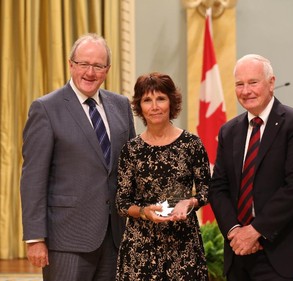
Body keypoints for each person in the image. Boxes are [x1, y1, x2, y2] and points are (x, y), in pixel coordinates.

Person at [20, 33, 136, 281]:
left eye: (98, 66)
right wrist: (35, 238)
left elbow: (130, 170)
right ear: (71, 64)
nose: (90, 72)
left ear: (108, 70)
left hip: (114, 237)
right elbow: (33, 178)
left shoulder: (121, 106)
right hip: (66, 241)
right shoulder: (46, 108)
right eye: (84, 64)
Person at [209, 54, 293, 280]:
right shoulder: (229, 131)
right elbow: (218, 187)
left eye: (253, 82)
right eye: (239, 84)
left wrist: (255, 231)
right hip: (239, 252)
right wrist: (235, 232)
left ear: (271, 82)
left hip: (281, 250)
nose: (246, 91)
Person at [115, 72, 210, 281]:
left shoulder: (191, 144)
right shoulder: (131, 150)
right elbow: (121, 202)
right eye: (147, 100)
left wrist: (190, 202)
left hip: (184, 246)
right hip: (140, 248)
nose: (154, 106)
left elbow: (206, 190)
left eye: (160, 98)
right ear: (139, 106)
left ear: (171, 102)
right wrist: (143, 211)